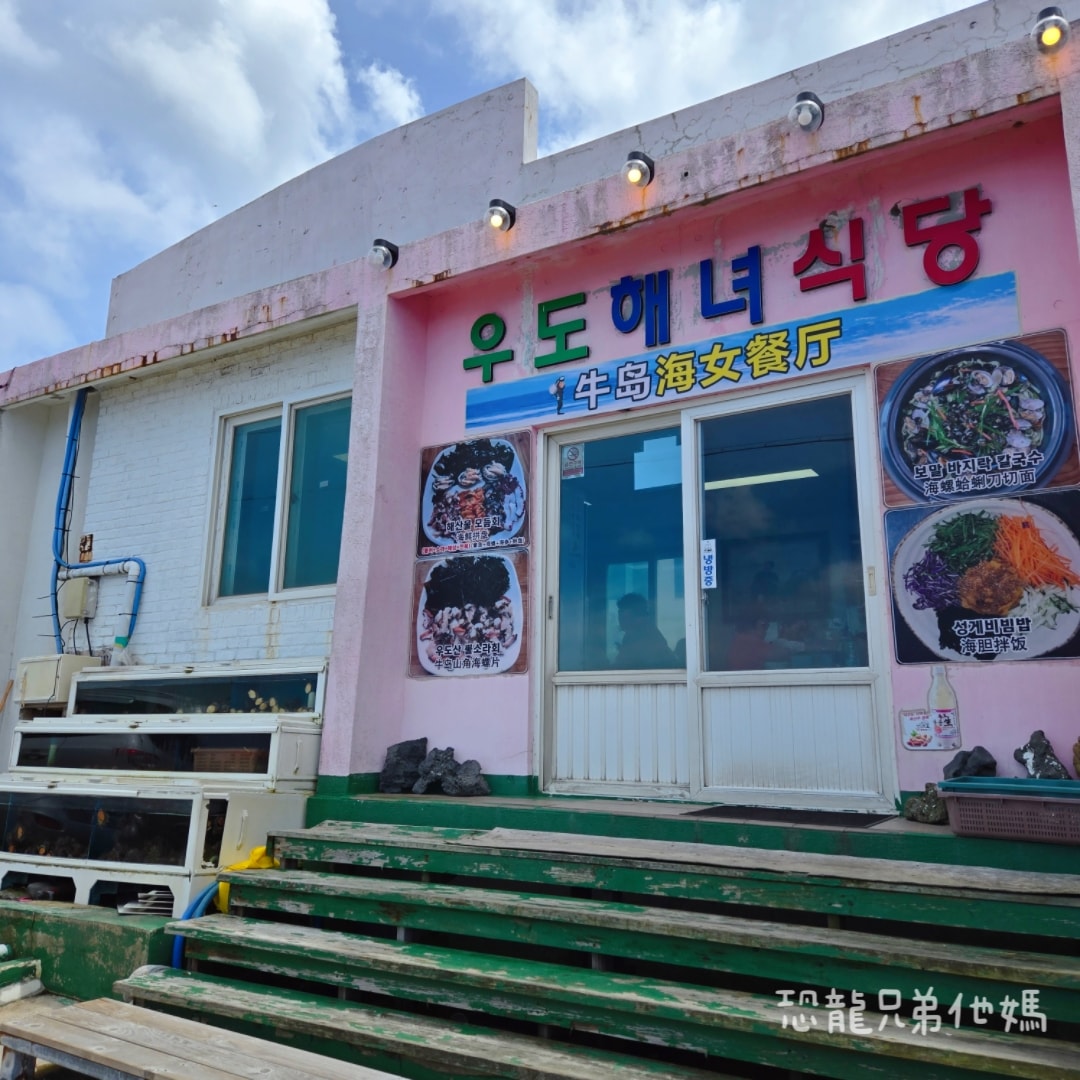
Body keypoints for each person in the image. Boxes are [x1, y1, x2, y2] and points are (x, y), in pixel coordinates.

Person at [613, 593, 678, 669]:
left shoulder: (649, 638)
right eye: (620, 615)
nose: (620, 620)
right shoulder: (631, 635)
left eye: (624, 616)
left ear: (639, 617)